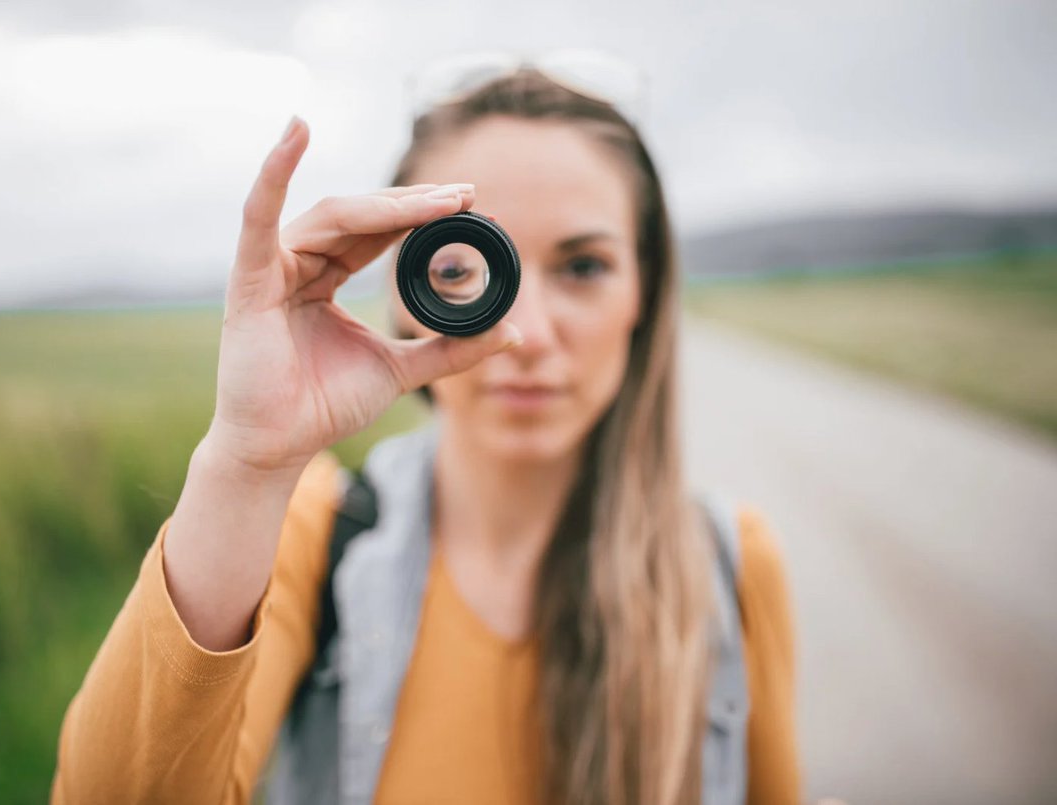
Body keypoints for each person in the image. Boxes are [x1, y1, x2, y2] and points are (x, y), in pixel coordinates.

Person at [50, 64, 800, 805]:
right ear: (407, 298)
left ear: (646, 291)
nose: (528, 333)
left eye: (582, 265)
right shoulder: (313, 536)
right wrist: (247, 461)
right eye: (458, 269)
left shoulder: (728, 565)